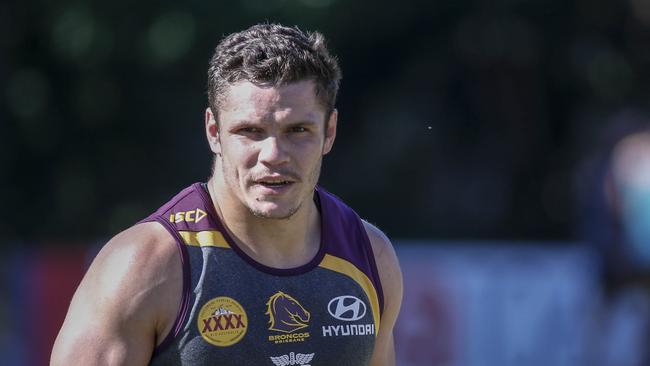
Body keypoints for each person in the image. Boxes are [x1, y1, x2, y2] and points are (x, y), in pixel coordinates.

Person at [51, 23, 403, 366]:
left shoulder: (370, 257)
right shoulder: (145, 266)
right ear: (214, 132)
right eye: (249, 131)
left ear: (329, 132)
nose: (273, 154)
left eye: (298, 130)